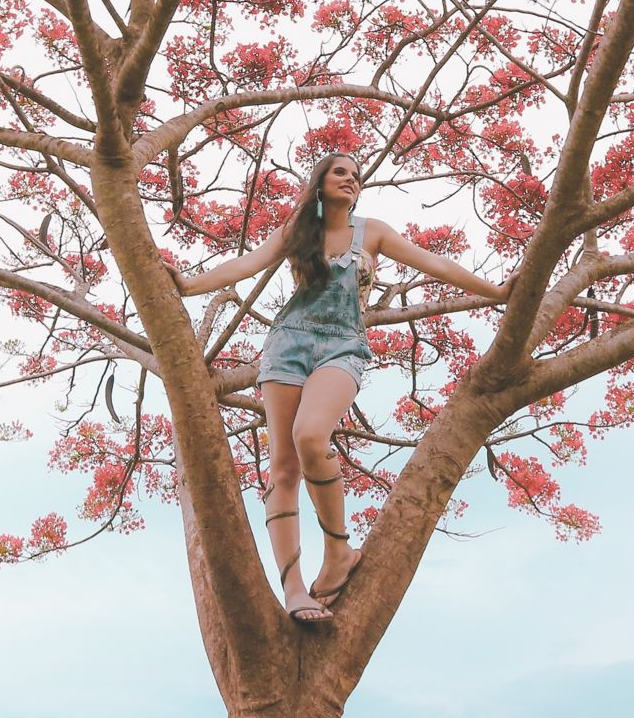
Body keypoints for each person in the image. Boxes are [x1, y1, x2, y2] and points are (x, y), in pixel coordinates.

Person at [176, 153, 508, 625]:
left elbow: (432, 261)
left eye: (356, 176)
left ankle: (338, 550)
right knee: (283, 470)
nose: (351, 180)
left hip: (342, 348)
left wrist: (496, 292)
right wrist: (188, 285)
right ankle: (293, 589)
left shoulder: (372, 231)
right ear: (320, 182)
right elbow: (246, 263)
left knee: (311, 436)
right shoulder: (299, 231)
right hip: (286, 346)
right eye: (340, 173)